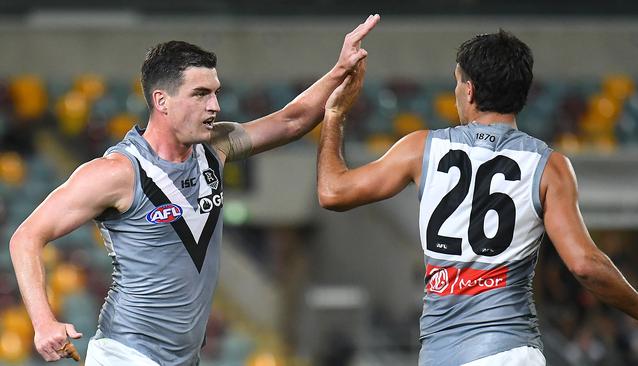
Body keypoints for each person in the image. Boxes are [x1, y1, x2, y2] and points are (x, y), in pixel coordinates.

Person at [10, 14, 380, 365]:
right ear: (161, 101)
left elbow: (292, 120)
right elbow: (25, 236)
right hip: (127, 352)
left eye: (215, 93)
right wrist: (43, 323)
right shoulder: (118, 173)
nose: (215, 106)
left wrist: (339, 71)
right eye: (201, 94)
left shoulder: (215, 148)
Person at [317, 30, 638, 365]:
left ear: (470, 90)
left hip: (440, 354)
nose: (456, 92)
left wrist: (334, 114)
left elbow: (332, 191)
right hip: (511, 352)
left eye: (457, 83)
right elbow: (586, 266)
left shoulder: (421, 149)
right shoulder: (550, 167)